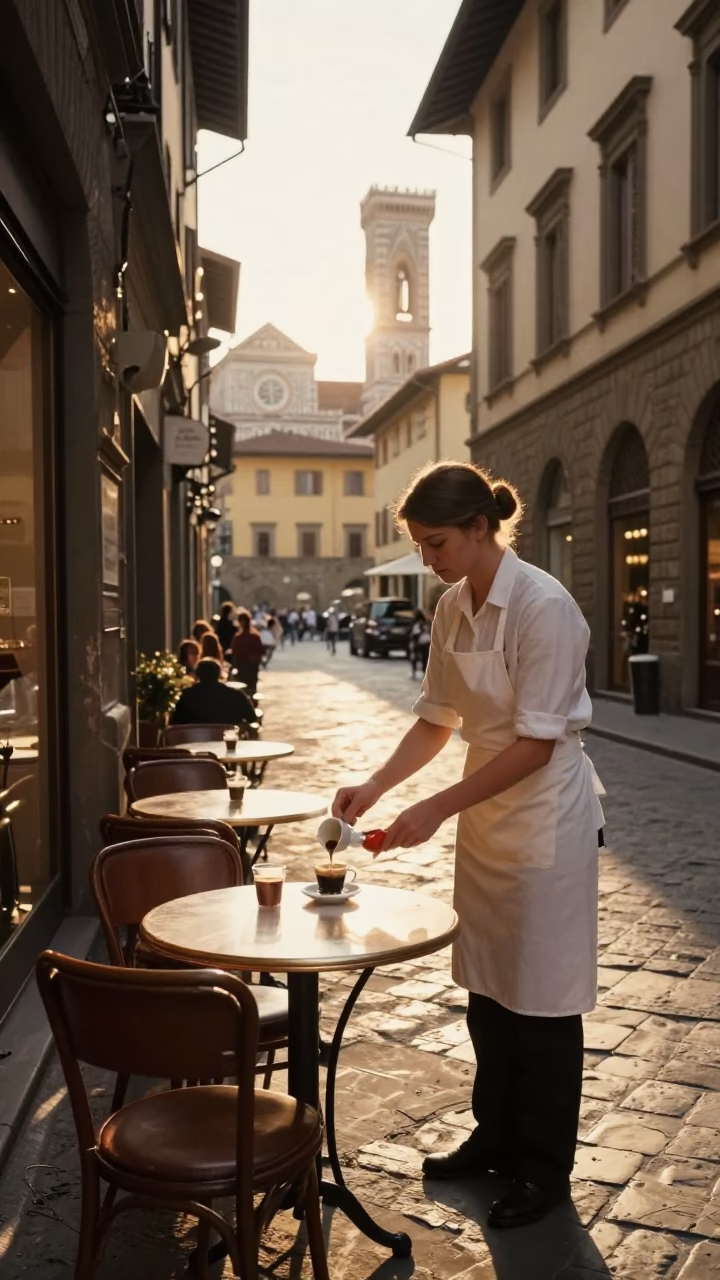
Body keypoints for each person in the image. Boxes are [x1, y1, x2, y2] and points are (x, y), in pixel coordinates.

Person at [331, 461, 604, 1231]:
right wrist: (377, 787)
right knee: (488, 989)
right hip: (487, 813)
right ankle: (495, 1135)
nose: (430, 560)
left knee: (543, 999)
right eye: (420, 547)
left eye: (438, 542)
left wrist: (437, 808)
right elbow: (437, 718)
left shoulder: (544, 608)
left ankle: (544, 1168)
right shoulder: (453, 605)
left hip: (546, 817)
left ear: (483, 528)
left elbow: (538, 745)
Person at [170, 658, 256, 727]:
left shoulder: (185, 695)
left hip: (193, 741)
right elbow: (252, 718)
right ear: (219, 674)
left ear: (197, 674)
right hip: (227, 741)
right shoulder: (236, 695)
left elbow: (174, 721)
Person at [230, 612, 263, 697]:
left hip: (244, 666)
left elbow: (235, 653)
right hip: (250, 666)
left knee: (243, 688)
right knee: (251, 687)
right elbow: (260, 651)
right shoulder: (255, 636)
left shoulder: (238, 638)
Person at [408, 608, 431, 679]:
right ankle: (423, 672)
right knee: (424, 658)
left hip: (420, 642)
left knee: (415, 658)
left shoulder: (417, 624)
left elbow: (414, 634)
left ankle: (415, 672)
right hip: (426, 642)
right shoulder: (426, 623)